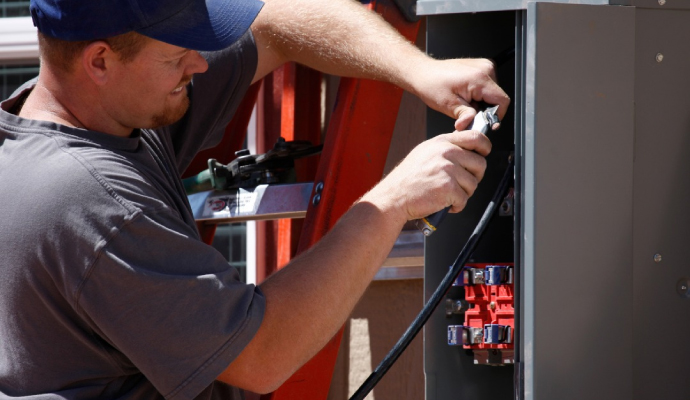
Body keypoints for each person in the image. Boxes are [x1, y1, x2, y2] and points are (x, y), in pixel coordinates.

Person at [0, 0, 510, 398]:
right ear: (100, 60)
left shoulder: (83, 115)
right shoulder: (93, 202)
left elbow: (275, 20)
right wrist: (393, 202)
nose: (200, 64)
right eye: (178, 54)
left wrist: (418, 71)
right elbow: (261, 354)